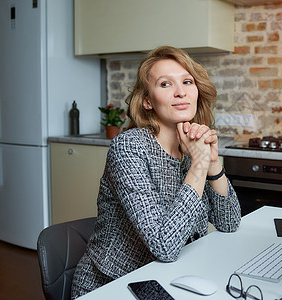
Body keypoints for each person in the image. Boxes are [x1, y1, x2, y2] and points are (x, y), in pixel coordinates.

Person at [71, 46, 241, 299]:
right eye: (165, 84)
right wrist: (198, 165)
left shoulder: (193, 147)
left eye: (187, 81)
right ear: (148, 101)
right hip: (113, 286)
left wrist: (213, 162)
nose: (181, 91)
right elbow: (164, 245)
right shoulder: (129, 147)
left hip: (170, 279)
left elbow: (230, 223)